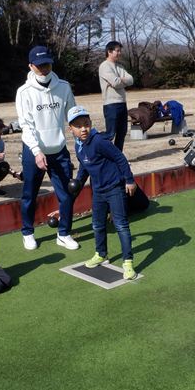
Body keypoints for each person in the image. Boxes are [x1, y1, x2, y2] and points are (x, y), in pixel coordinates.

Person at [15, 45, 78, 251]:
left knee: (67, 194)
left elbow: (73, 116)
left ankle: (64, 233)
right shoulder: (23, 92)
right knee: (29, 194)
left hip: (58, 149)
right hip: (34, 151)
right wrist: (36, 151)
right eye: (40, 65)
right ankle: (27, 232)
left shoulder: (64, 87)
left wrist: (83, 138)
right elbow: (26, 125)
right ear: (31, 66)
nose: (44, 69)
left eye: (47, 64)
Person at [68, 106, 137, 280]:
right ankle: (101, 254)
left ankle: (127, 262)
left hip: (114, 188)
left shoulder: (99, 141)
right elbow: (84, 167)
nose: (83, 128)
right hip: (97, 191)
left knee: (121, 225)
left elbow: (119, 158)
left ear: (90, 123)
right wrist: (76, 186)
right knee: (97, 225)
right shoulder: (79, 147)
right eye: (78, 126)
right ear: (71, 129)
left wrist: (129, 180)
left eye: (86, 124)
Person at [98, 41, 134, 151]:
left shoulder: (120, 66)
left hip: (122, 103)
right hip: (111, 104)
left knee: (122, 132)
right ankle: (98, 150)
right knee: (110, 134)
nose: (119, 53)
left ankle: (118, 156)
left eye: (120, 51)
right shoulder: (104, 66)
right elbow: (116, 83)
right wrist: (121, 81)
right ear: (109, 51)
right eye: (117, 51)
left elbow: (131, 80)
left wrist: (120, 80)